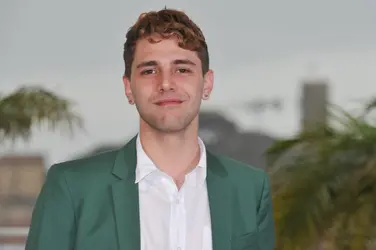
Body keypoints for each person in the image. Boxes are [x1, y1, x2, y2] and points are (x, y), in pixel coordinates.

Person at [25, 8, 275, 250]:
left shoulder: (250, 189)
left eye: (182, 69)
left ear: (207, 83)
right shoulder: (72, 188)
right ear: (128, 87)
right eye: (149, 70)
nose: (166, 83)